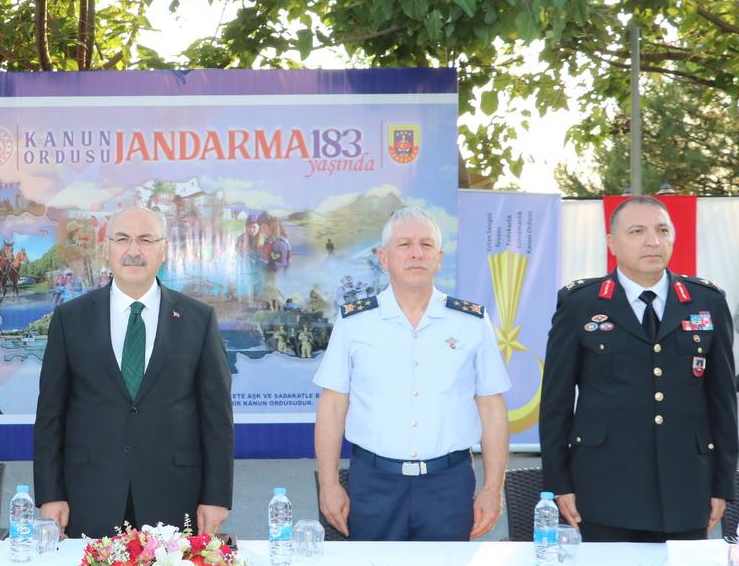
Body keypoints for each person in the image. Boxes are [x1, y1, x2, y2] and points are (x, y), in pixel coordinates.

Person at [539, 195, 737, 542]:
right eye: (637, 231)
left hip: (686, 489)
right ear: (612, 243)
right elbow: (555, 404)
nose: (652, 241)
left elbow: (722, 402)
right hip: (603, 490)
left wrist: (723, 484)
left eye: (662, 230)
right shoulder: (580, 304)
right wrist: (559, 482)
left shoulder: (707, 302)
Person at [33, 206, 234, 538]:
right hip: (89, 493)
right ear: (107, 247)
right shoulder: (71, 319)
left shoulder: (199, 320)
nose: (134, 251)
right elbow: (50, 415)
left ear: (164, 249)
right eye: (123, 239)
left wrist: (216, 497)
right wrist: (51, 494)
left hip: (175, 494)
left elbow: (217, 417)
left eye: (145, 240)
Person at [313, 206, 510, 541]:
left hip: (448, 484)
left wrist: (493, 488)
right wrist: (329, 484)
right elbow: (332, 407)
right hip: (374, 483)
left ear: (439, 258)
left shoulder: (472, 323)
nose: (416, 253)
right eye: (404, 245)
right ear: (384, 258)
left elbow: (492, 409)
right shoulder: (354, 322)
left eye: (426, 245)